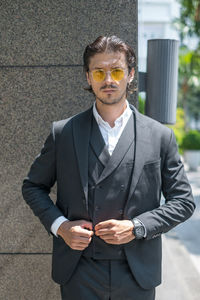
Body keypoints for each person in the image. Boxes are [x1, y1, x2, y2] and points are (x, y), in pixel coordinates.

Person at [22, 35, 195, 300]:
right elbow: (33, 186)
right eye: (99, 72)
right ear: (88, 77)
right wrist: (61, 227)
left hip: (137, 271)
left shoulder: (160, 135)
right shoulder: (64, 133)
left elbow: (183, 202)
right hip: (79, 270)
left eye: (116, 70)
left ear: (130, 75)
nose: (109, 80)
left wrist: (137, 226)